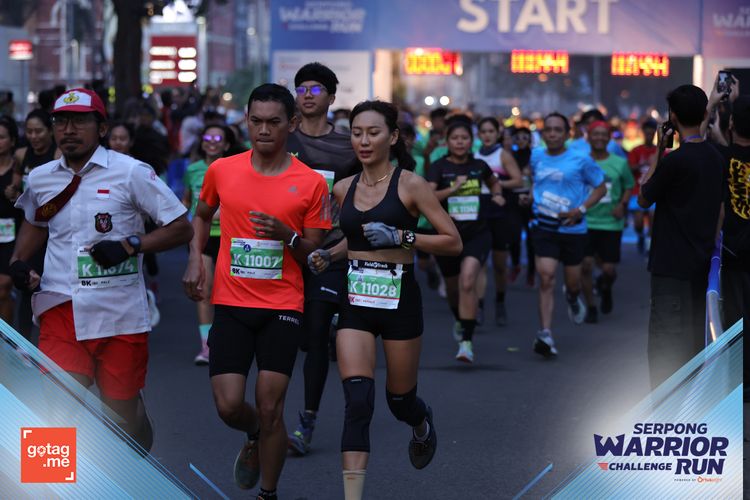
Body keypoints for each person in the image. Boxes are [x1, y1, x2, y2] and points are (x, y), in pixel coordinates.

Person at [10, 88, 193, 451]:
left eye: (80, 122)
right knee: (56, 411)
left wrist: (131, 245)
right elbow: (35, 221)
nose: (69, 130)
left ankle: (134, 427)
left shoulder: (131, 172)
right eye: (61, 122)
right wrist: (19, 262)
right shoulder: (42, 178)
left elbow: (180, 228)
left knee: (121, 421)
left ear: (103, 128)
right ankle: (48, 481)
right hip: (61, 308)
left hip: (120, 314)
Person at [182, 84, 330, 500]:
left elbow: (314, 252)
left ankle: (268, 492)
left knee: (271, 408)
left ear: (292, 124)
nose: (264, 130)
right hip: (231, 302)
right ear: (246, 121)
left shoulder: (311, 182)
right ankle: (252, 433)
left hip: (283, 305)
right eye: (256, 121)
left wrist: (287, 235)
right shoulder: (222, 170)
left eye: (274, 122)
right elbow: (202, 215)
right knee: (229, 406)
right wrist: (196, 258)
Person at [307, 100, 461, 500]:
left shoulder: (411, 185)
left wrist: (402, 236)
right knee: (358, 401)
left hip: (400, 303)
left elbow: (452, 241)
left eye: (373, 133)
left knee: (399, 400)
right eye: (357, 133)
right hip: (356, 304)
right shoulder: (343, 188)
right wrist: (329, 255)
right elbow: (356, 241)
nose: (363, 141)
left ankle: (421, 422)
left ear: (392, 137)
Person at [284, 62, 359, 456]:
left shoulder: (349, 145)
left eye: (316, 89)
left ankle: (306, 421)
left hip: (328, 253)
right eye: (302, 88)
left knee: (314, 334)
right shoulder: (280, 137)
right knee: (292, 338)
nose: (308, 94)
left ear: (331, 97)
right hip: (282, 251)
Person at [637, 84, 724, 388]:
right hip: (702, 267)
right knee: (693, 347)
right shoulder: (716, 158)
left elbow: (644, 197)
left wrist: (659, 150)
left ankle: (665, 412)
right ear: (702, 114)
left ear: (672, 116)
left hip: (670, 268)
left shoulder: (674, 161)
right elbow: (721, 210)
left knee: (665, 349)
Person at [427, 117, 506, 363]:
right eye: (455, 138)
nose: (460, 142)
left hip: (477, 233)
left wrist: (498, 195)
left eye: (464, 138)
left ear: (472, 141)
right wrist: (452, 189)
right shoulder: (438, 167)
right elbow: (428, 197)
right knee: (453, 289)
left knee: (468, 280)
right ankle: (460, 320)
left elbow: (494, 183)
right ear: (447, 141)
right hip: (447, 236)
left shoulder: (479, 165)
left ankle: (466, 343)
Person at [529, 112, 606, 357]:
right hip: (545, 227)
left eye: (558, 130)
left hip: (573, 229)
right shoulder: (536, 155)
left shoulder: (581, 160)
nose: (552, 134)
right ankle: (545, 333)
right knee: (546, 277)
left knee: (573, 284)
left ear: (567, 134)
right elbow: (534, 181)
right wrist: (529, 197)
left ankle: (572, 298)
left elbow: (601, 188)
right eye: (548, 130)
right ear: (543, 133)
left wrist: (580, 209)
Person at [5, 110, 62, 343]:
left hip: (51, 227)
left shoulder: (58, 154)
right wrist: (13, 191)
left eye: (38, 131)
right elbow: (16, 184)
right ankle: (23, 344)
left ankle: (54, 337)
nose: (34, 136)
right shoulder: (21, 154)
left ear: (50, 131)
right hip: (27, 223)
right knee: (25, 282)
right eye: (29, 132)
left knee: (47, 283)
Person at [182, 124, 235, 365]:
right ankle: (206, 346)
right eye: (208, 137)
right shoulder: (192, 169)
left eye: (218, 138)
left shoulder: (233, 169)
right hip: (200, 235)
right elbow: (187, 199)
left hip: (228, 236)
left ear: (226, 144)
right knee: (203, 290)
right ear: (202, 142)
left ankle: (228, 340)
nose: (212, 141)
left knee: (227, 292)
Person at [580, 121, 634, 323]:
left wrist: (623, 204)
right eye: (596, 134)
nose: (600, 138)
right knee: (585, 266)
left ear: (609, 137)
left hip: (611, 223)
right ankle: (591, 307)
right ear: (588, 137)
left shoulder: (619, 163)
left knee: (608, 270)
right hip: (585, 221)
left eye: (604, 134)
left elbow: (629, 185)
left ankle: (605, 286)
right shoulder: (581, 161)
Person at [474, 117, 522, 326]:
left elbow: (518, 180)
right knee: (480, 263)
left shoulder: (503, 154)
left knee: (500, 265)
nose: (487, 135)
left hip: (500, 211)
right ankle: (479, 306)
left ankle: (500, 301)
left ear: (498, 133)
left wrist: (495, 183)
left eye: (491, 131)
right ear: (478, 134)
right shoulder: (474, 155)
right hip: (479, 211)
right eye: (483, 131)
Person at [0, 116, 22, 326]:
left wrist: (16, 195)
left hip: (11, 234)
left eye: (2, 137)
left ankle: (5, 339)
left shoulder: (18, 169)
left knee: (4, 286)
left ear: (12, 141)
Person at [627, 119, 659, 254]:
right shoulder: (636, 150)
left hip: (654, 192)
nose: (649, 136)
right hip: (637, 191)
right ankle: (641, 236)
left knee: (652, 218)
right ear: (643, 133)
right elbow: (630, 168)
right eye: (647, 133)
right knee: (638, 223)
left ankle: (649, 246)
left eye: (652, 133)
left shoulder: (660, 150)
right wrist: (645, 163)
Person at [510, 127, 536, 287]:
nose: (521, 140)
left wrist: (531, 196)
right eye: (517, 137)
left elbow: (538, 179)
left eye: (524, 137)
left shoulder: (534, 156)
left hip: (531, 202)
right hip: (514, 200)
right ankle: (515, 265)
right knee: (514, 237)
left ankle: (531, 272)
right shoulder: (510, 156)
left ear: (529, 139)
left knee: (531, 239)